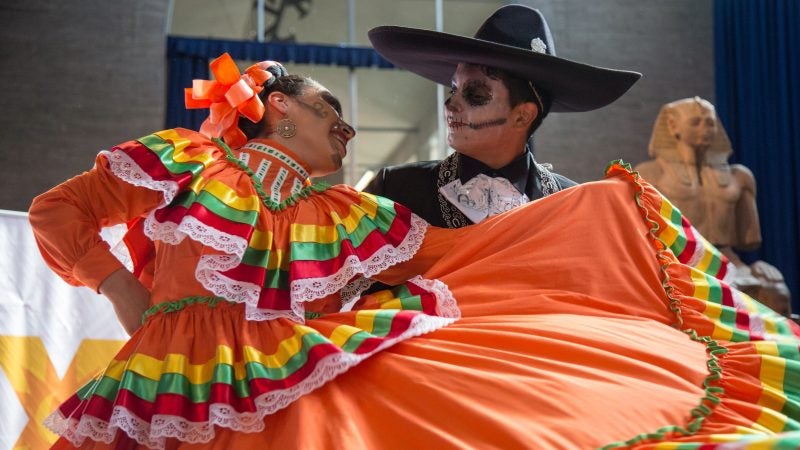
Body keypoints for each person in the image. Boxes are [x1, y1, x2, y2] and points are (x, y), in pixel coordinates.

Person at [30, 54, 800, 449]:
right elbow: (59, 211)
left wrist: (596, 211)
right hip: (170, 378)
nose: (347, 126)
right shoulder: (187, 161)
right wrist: (120, 287)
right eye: (331, 107)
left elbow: (467, 255)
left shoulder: (351, 212)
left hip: (288, 383)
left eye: (476, 95)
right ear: (278, 108)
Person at [363, 4, 641, 228]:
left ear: (523, 116)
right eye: (454, 89)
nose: (450, 106)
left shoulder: (573, 202)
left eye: (475, 94)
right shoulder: (396, 188)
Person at [636, 97, 791, 315]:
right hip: (677, 262)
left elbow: (749, 239)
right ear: (673, 126)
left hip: (729, 263)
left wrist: (758, 268)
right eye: (696, 122)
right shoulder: (650, 175)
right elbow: (638, 237)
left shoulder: (740, 176)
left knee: (776, 294)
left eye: (710, 123)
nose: (706, 129)